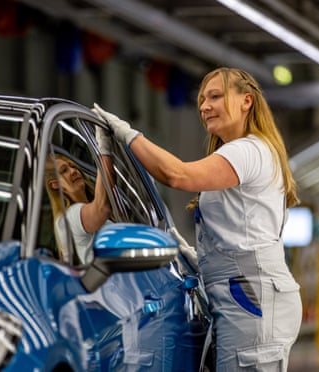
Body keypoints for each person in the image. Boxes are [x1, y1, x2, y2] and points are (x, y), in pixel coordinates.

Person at [93, 67, 303, 371]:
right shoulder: (244, 151)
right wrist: (198, 256)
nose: (204, 107)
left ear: (247, 101)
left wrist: (127, 135)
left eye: (215, 96)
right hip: (246, 295)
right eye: (202, 100)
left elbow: (177, 175)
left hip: (252, 298)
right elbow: (241, 231)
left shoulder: (250, 150)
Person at [44, 127, 114, 265]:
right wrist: (105, 150)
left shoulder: (76, 213)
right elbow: (102, 209)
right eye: (64, 170)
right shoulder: (70, 216)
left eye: (72, 166)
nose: (73, 171)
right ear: (55, 185)